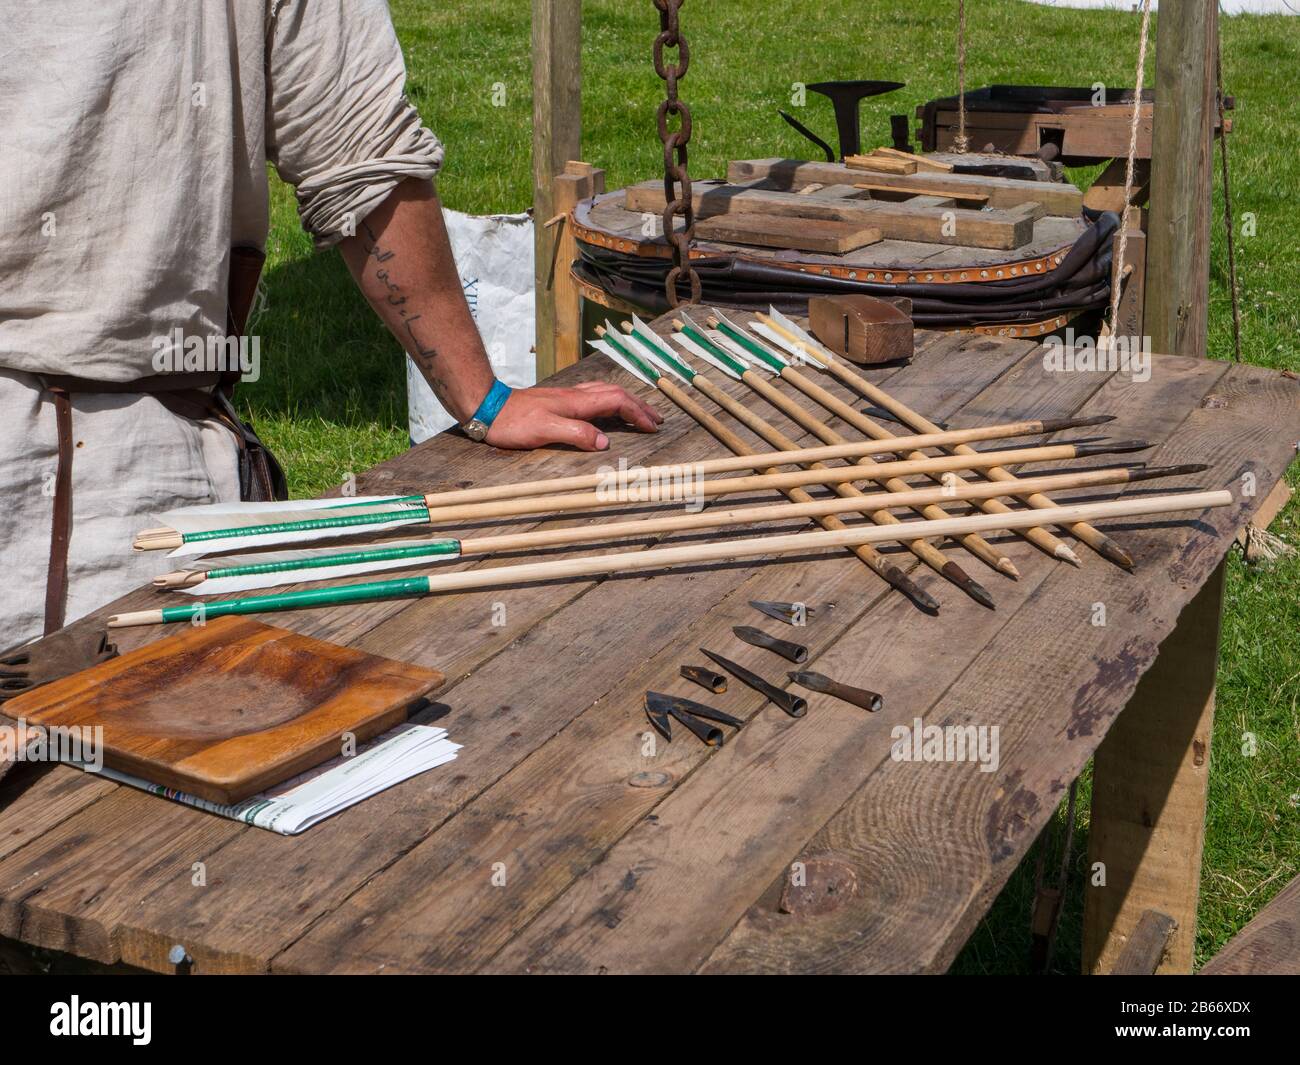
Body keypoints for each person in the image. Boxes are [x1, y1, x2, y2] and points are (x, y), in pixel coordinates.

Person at [0, 1, 661, 648]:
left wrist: (482, 396)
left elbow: (357, 149)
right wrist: (481, 395)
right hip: (106, 495)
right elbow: (360, 151)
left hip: (133, 480)